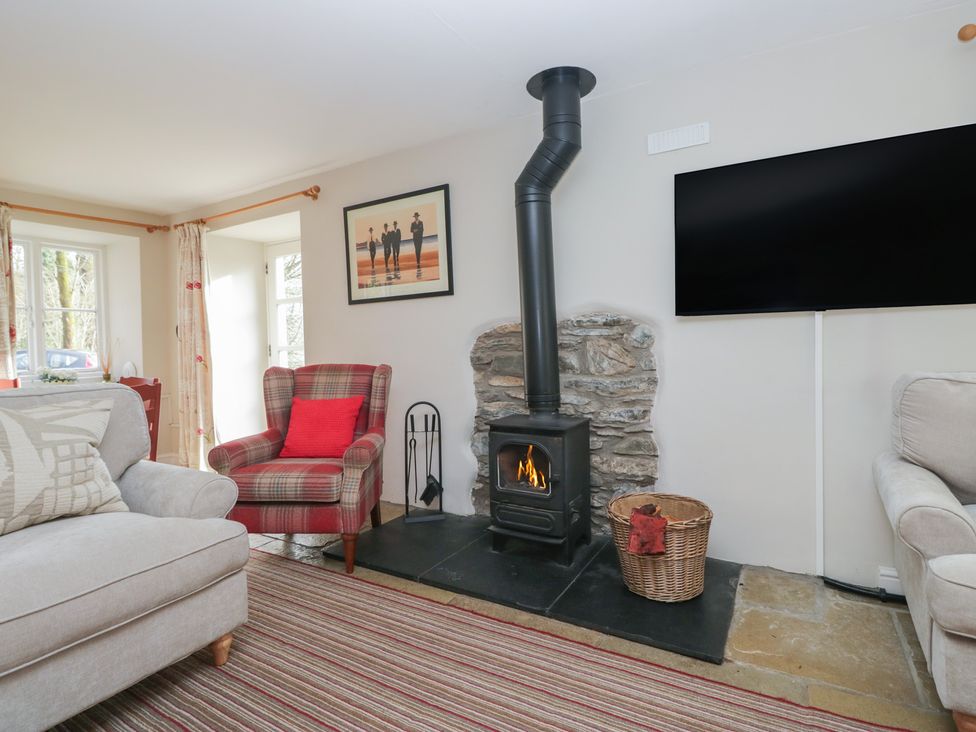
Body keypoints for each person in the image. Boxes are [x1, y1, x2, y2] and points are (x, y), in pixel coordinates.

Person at [410, 212, 424, 277]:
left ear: (418, 216)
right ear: (414, 217)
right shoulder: (412, 223)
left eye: (416, 216)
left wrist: (416, 230)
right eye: (415, 216)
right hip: (415, 239)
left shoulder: (421, 222)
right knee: (416, 250)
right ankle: (417, 262)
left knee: (419, 250)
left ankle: (419, 261)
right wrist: (414, 230)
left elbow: (422, 229)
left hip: (420, 238)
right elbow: (411, 230)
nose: (416, 217)